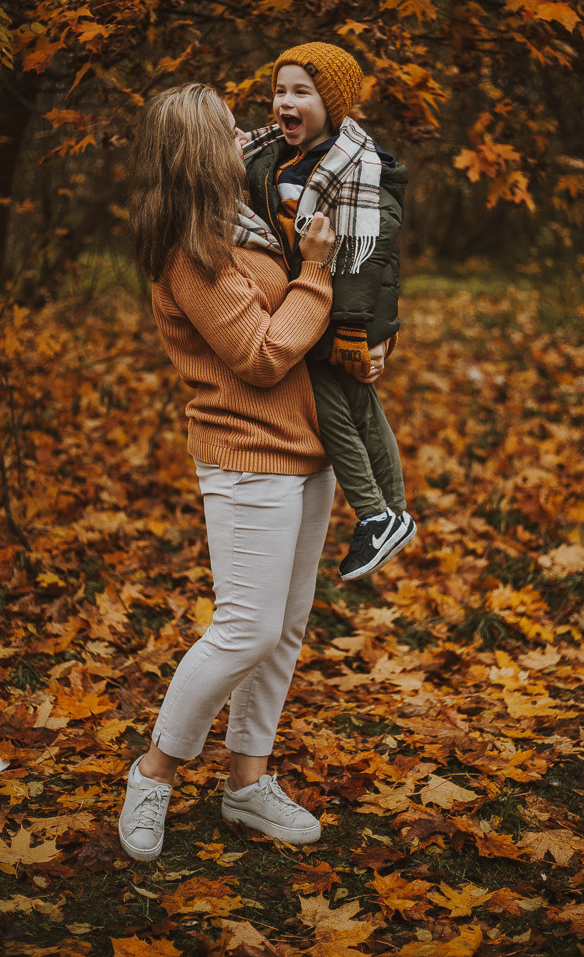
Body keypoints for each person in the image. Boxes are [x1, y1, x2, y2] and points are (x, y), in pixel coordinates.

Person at [118, 83, 337, 861]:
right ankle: (153, 772)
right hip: (249, 459)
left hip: (308, 453)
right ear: (199, 152)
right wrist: (316, 274)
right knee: (243, 630)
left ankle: (247, 787)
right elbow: (264, 353)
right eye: (228, 126)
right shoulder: (190, 249)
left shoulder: (243, 225)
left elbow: (307, 336)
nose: (248, 130)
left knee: (281, 633)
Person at [243, 41, 416, 581]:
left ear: (333, 103)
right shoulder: (276, 157)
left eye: (301, 92)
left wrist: (361, 332)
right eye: (279, 91)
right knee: (351, 405)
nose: (284, 102)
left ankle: (375, 513)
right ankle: (389, 514)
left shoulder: (358, 169)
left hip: (339, 307)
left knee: (336, 405)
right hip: (309, 298)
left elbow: (372, 259)